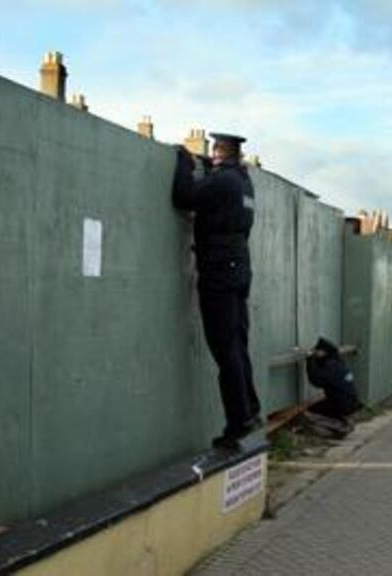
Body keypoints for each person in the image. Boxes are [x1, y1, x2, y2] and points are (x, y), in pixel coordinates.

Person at [171, 132, 261, 450]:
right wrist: (210, 171)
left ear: (219, 151)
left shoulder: (224, 180)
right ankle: (250, 410)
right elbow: (223, 203)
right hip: (238, 267)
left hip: (219, 270)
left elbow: (184, 197)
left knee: (225, 349)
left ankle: (238, 421)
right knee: (237, 343)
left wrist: (182, 161)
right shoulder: (243, 182)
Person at [304, 337, 363, 438]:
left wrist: (310, 359)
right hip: (351, 403)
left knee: (310, 413)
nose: (315, 353)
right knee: (320, 408)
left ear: (323, 352)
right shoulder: (338, 362)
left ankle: (341, 427)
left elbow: (316, 380)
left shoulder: (330, 365)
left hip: (342, 405)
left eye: (317, 351)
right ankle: (343, 422)